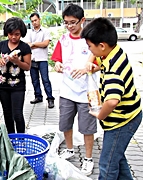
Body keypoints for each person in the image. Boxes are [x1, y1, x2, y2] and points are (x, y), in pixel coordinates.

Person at [81, 17, 142, 180]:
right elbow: (101, 59)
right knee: (117, 158)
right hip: (129, 115)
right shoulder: (114, 51)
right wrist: (96, 67)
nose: (90, 52)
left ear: (102, 46)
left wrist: (100, 115)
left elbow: (112, 101)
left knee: (107, 165)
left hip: (122, 122)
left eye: (90, 47)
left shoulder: (114, 73)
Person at [51, 4, 97, 176]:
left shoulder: (90, 39)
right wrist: (57, 64)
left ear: (82, 20)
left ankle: (88, 158)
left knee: (87, 128)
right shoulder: (63, 39)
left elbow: (101, 64)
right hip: (67, 91)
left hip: (87, 92)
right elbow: (56, 59)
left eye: (73, 22)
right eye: (66, 23)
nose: (70, 26)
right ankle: (69, 149)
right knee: (65, 123)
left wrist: (88, 68)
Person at [0, 17, 31, 134]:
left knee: (17, 114)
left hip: (18, 86)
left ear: (21, 33)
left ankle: (22, 138)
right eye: (11, 34)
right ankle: (11, 139)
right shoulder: (1, 45)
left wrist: (17, 61)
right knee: (7, 114)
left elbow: (27, 66)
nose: (13, 37)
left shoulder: (24, 47)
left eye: (17, 34)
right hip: (2, 85)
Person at [25, 13, 55, 108]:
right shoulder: (29, 32)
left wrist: (33, 44)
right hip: (32, 59)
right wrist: (38, 44)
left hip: (42, 59)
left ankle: (50, 98)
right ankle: (38, 96)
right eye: (32, 21)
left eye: (35, 20)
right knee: (34, 80)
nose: (34, 22)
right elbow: (27, 44)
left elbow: (45, 44)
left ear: (39, 19)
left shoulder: (45, 31)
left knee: (45, 80)